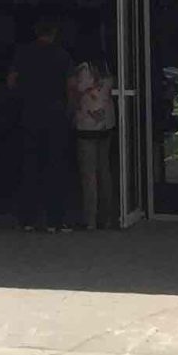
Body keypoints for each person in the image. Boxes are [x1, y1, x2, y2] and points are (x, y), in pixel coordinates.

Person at [10, 16, 76, 232]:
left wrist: (21, 96)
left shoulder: (23, 53)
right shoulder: (62, 55)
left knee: (29, 166)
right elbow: (71, 86)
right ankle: (54, 220)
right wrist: (69, 110)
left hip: (29, 114)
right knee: (55, 166)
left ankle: (27, 218)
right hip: (55, 114)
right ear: (54, 33)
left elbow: (11, 80)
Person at [69, 47, 116, 229]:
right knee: (104, 170)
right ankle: (108, 216)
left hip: (87, 126)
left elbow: (77, 90)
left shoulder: (83, 69)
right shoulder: (107, 68)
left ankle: (90, 219)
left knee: (89, 174)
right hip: (106, 125)